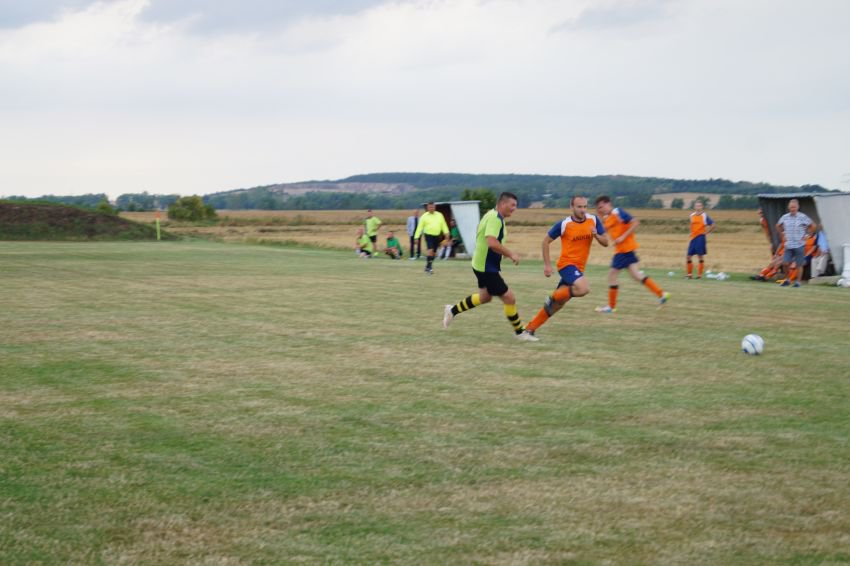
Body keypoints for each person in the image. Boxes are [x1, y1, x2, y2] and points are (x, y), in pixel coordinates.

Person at [442, 192, 538, 341]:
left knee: (485, 297)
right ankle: (520, 332)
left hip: (480, 264)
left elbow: (483, 236)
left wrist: (497, 253)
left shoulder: (491, 214)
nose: (515, 208)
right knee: (509, 298)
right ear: (503, 204)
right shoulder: (495, 218)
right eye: (512, 205)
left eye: (516, 205)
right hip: (486, 267)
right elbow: (492, 242)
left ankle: (452, 310)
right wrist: (510, 254)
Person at [523, 196, 608, 338]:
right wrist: (547, 265)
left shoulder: (593, 220)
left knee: (557, 304)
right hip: (566, 265)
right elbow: (545, 242)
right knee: (583, 288)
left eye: (585, 206)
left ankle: (529, 330)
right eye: (579, 207)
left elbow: (606, 242)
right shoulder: (564, 224)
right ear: (571, 207)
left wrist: (597, 235)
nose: (583, 210)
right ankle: (553, 295)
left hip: (579, 268)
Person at [592, 195, 669, 313]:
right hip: (625, 250)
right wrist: (600, 218)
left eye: (601, 207)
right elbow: (604, 230)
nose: (600, 210)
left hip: (624, 250)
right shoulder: (608, 218)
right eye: (598, 208)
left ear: (608, 204)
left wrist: (623, 237)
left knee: (612, 275)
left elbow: (635, 222)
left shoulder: (618, 212)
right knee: (636, 275)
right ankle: (661, 294)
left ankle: (611, 307)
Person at [776, 199, 815, 287]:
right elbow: (778, 225)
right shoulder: (785, 217)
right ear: (789, 207)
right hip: (788, 244)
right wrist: (782, 234)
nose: (793, 209)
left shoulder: (802, 217)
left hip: (799, 244)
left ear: (798, 207)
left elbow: (813, 226)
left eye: (794, 207)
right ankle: (787, 280)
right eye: (791, 207)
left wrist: (808, 235)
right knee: (785, 263)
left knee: (799, 264)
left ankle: (798, 282)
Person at [413, 201, 449, 274]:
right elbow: (419, 227)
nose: (431, 208)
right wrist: (416, 237)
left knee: (434, 253)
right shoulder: (424, 216)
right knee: (430, 250)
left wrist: (446, 233)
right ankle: (429, 268)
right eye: (430, 207)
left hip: (437, 236)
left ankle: (427, 266)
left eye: (432, 207)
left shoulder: (439, 215)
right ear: (427, 208)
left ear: (435, 207)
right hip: (428, 235)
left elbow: (443, 225)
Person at [685, 200, 715, 279]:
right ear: (694, 207)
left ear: (702, 207)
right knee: (688, 256)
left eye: (699, 206)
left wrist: (706, 232)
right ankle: (689, 275)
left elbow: (713, 225)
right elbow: (692, 225)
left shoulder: (704, 216)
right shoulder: (692, 215)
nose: (698, 207)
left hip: (700, 238)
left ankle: (699, 275)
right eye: (696, 206)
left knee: (700, 256)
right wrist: (691, 232)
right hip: (693, 238)